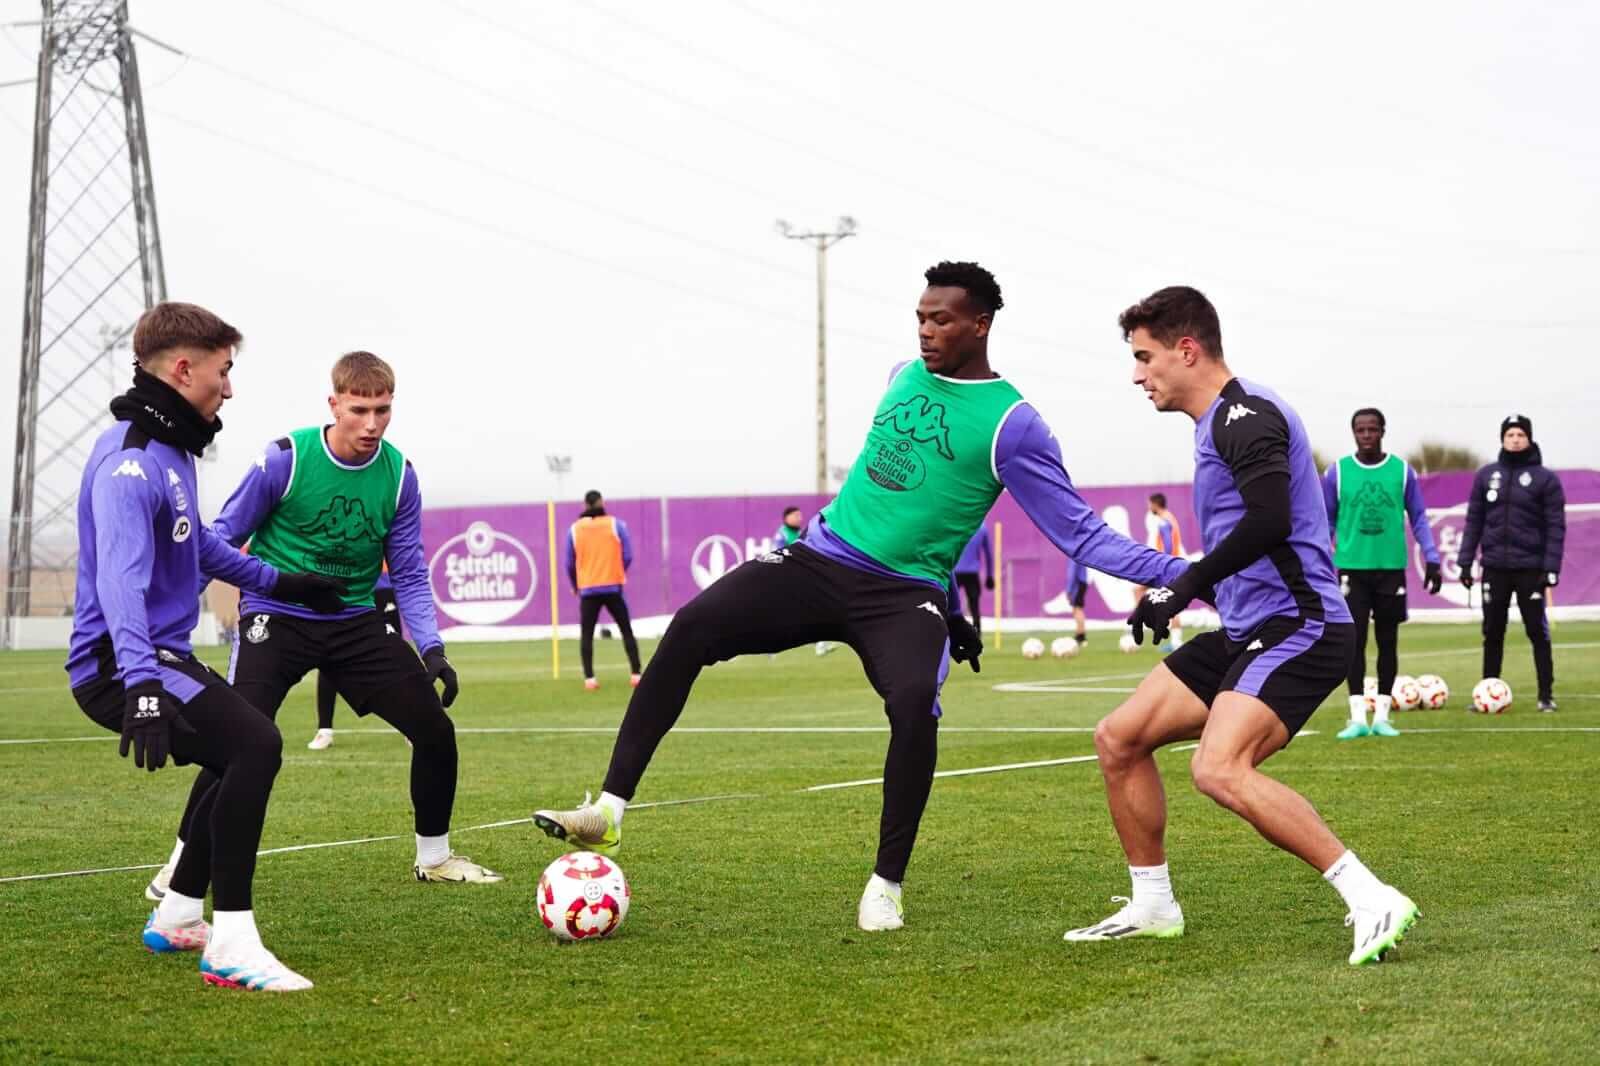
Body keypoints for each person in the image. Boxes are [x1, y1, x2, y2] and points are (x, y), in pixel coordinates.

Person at [532, 261, 1189, 933]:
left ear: (981, 324)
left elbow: (1079, 532)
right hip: (818, 559)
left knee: (912, 704)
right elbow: (898, 500)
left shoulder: (1013, 426)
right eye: (920, 318)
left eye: (942, 320)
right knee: (692, 625)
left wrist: (1188, 572)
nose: (927, 331)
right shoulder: (900, 376)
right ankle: (609, 811)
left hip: (902, 596)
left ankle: (885, 885)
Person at [1064, 286, 1418, 967]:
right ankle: (1153, 905)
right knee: (1119, 738)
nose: (1138, 374)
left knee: (1218, 768)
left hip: (1302, 623)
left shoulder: (1244, 417)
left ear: (1186, 349)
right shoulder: (1215, 424)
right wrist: (1189, 592)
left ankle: (1372, 897)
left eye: (1145, 357)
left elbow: (1269, 521)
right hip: (1250, 626)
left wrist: (1184, 586)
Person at [146, 351, 500, 896]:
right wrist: (168, 630)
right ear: (334, 404)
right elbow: (216, 541)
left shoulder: (399, 476)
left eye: (383, 409)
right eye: (360, 409)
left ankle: (435, 857)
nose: (372, 423)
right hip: (276, 613)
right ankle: (178, 866)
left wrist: (431, 648)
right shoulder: (285, 460)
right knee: (239, 739)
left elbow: (408, 569)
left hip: (354, 620)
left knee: (434, 730)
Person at [68, 302, 346, 991]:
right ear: (184, 368)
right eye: (224, 371)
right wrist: (140, 685)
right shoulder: (130, 461)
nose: (230, 386)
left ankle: (180, 912)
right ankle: (232, 942)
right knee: (254, 745)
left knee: (240, 747)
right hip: (120, 662)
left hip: (160, 655)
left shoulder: (173, 449)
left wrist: (286, 581)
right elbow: (120, 584)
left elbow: (203, 549)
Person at [1322, 408, 1442, 740]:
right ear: (1353, 433)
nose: (1366, 435)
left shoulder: (1402, 472)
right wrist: (1316, 560)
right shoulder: (1338, 473)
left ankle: (1384, 717)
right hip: (1351, 570)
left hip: (1390, 569)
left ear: (1383, 431)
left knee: (1388, 642)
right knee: (1353, 642)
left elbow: (1418, 517)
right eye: (1360, 430)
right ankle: (1358, 717)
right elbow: (1326, 522)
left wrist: (1431, 557)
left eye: (1372, 429)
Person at [1457, 414, 1566, 711]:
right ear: (1502, 439)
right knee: (1492, 630)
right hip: (1494, 567)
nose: (1515, 439)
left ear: (1529, 438)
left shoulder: (1545, 479)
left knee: (1537, 631)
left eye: (1520, 434)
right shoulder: (1486, 475)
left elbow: (1556, 526)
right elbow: (1474, 521)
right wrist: (1465, 562)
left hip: (1531, 568)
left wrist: (1551, 568)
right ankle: (1487, 693)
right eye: (1510, 434)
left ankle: (1546, 696)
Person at [308, 568, 395, 750]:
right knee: (328, 656)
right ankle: (325, 730)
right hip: (343, 585)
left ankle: (410, 726)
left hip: (382, 584)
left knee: (394, 653)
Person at [566, 490, 643, 690]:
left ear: (584, 505)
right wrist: (618, 572)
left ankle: (590, 679)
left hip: (588, 589)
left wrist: (576, 585)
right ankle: (636, 674)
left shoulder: (574, 530)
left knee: (587, 634)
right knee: (626, 630)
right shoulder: (616, 525)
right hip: (612, 587)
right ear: (601, 502)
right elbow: (628, 554)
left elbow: (569, 562)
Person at [1138, 493, 1187, 650]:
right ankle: (1170, 636)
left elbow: (1168, 545)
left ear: (1155, 504)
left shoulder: (1163, 521)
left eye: (1149, 504)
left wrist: (1165, 563)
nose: (1148, 507)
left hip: (1167, 566)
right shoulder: (1169, 517)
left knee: (1170, 601)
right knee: (1140, 590)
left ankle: (1175, 640)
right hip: (1171, 564)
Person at [947, 526, 995, 636]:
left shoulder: (956, 523)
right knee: (974, 607)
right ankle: (977, 636)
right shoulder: (982, 528)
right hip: (972, 574)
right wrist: (989, 576)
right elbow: (989, 555)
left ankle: (946, 634)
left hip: (955, 572)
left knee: (948, 605)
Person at [1064, 556, 1089, 647]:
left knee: (1077, 608)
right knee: (1076, 609)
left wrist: (1069, 590)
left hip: (1077, 583)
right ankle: (1079, 633)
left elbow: (1072, 573)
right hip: (1081, 582)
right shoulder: (1079, 554)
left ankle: (1081, 636)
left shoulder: (1073, 555)